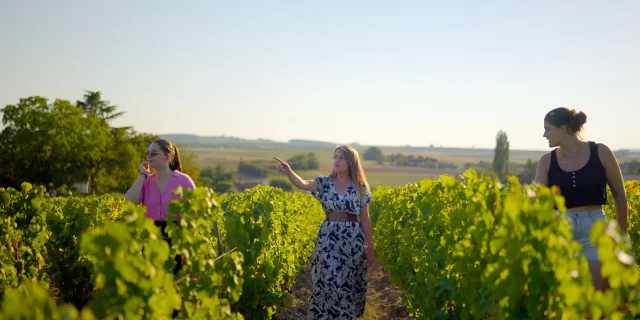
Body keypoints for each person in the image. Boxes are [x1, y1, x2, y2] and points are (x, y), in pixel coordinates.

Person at [274, 145, 375, 320]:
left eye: (341, 158)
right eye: (335, 157)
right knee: (328, 278)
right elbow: (303, 184)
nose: (337, 160)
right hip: (328, 238)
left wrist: (371, 249)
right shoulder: (324, 183)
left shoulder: (361, 187)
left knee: (346, 283)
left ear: (351, 162)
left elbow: (365, 219)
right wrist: (289, 173)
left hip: (353, 241)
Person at [534, 107, 628, 290]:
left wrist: (621, 237)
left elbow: (620, 196)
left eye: (547, 129)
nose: (544, 134)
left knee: (597, 300)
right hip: (561, 233)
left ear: (563, 129)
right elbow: (538, 203)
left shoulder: (601, 152)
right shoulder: (546, 161)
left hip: (594, 230)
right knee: (564, 301)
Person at [125, 139, 196, 274]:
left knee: (174, 287)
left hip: (176, 241)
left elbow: (193, 217)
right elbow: (129, 201)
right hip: (151, 240)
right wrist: (142, 175)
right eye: (148, 153)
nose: (149, 157)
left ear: (167, 157)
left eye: (154, 153)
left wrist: (189, 250)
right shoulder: (147, 181)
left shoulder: (184, 181)